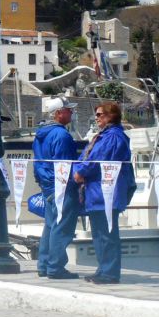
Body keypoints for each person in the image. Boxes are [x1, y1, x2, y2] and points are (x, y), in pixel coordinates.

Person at [73, 102, 134, 285]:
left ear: (110, 116)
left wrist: (81, 172)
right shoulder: (103, 136)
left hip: (106, 192)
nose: (97, 117)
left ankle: (110, 273)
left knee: (107, 234)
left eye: (100, 114)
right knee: (99, 234)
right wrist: (78, 170)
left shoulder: (114, 137)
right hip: (96, 191)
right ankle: (103, 269)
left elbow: (99, 160)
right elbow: (86, 157)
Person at [32, 97, 79, 279]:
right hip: (61, 186)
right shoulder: (62, 135)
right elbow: (65, 165)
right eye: (68, 110)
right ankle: (55, 267)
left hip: (47, 185)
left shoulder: (41, 134)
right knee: (62, 227)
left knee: (50, 226)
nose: (72, 112)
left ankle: (44, 265)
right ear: (59, 113)